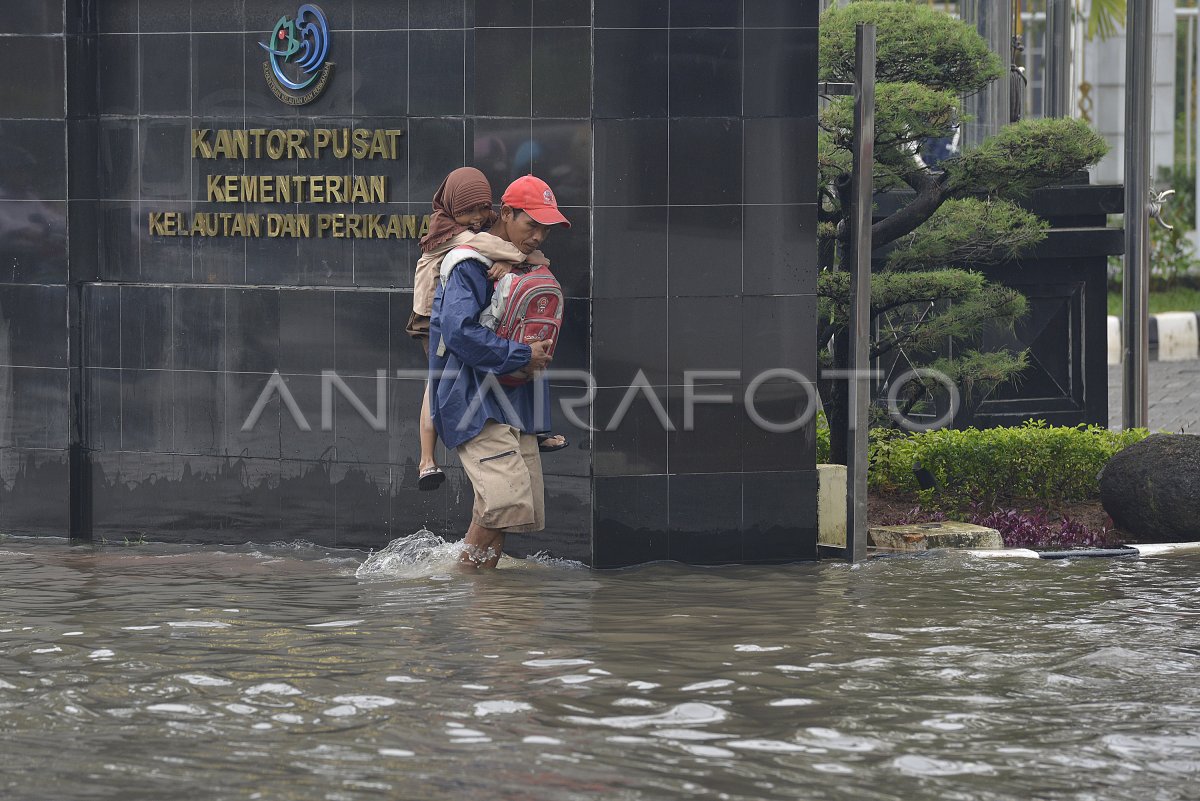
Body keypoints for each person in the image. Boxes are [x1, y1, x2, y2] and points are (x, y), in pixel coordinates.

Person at [428, 175, 570, 568]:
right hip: (471, 397)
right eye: (532, 224)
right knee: (505, 499)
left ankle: (484, 604)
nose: (540, 236)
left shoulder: (518, 259)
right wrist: (521, 355)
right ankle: (463, 592)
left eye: (546, 228)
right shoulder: (469, 263)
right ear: (506, 213)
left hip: (514, 399)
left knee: (509, 510)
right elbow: (458, 332)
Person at [409, 167, 525, 491]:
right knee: (436, 383)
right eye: (467, 211)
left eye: (482, 208)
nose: (476, 217)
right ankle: (426, 460)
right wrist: (519, 257)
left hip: (458, 315)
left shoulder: (474, 227)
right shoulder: (447, 230)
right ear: (451, 208)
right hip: (433, 317)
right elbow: (500, 248)